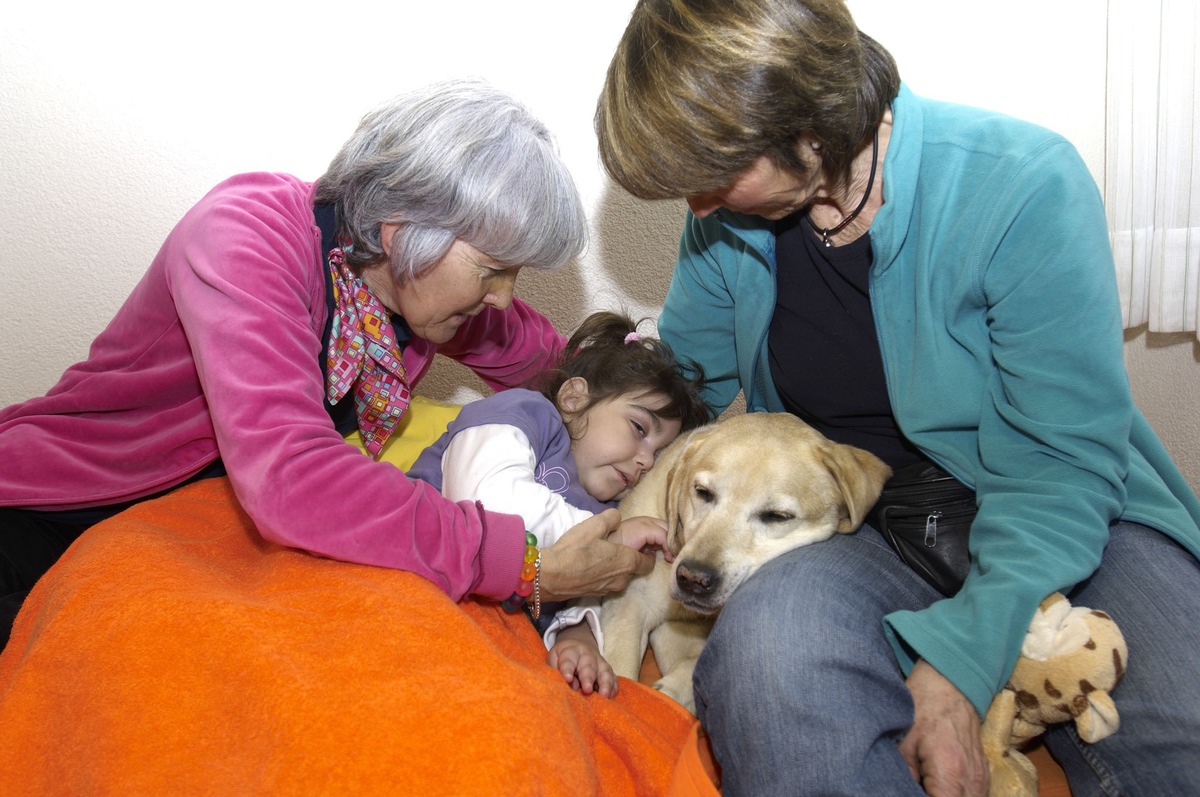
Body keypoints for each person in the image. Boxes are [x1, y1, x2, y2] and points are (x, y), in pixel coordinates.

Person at [595, 1, 1200, 795]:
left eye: (714, 173)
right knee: (768, 663)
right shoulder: (721, 226)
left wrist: (962, 656)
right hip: (854, 532)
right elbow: (680, 394)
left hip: (1061, 514)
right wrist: (573, 424)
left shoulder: (1021, 184)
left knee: (1183, 721)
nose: (698, 205)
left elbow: (1063, 465)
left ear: (809, 123)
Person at [0, 79, 656, 652]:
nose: (504, 295)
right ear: (405, 230)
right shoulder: (243, 238)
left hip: (164, 537)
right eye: (494, 269)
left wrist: (640, 396)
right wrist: (521, 559)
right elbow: (292, 475)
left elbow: (556, 365)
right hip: (46, 506)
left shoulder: (417, 292)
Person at [409, 311, 711, 696]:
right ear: (573, 398)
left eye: (659, 452)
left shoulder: (604, 512)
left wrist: (578, 638)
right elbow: (489, 501)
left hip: (484, 626)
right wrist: (610, 539)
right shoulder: (524, 414)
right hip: (414, 574)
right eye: (638, 429)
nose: (646, 462)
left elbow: (583, 584)